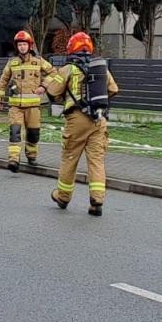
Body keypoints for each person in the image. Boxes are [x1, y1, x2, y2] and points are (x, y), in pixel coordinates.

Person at [43, 31, 119, 217]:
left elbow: (53, 91)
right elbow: (114, 89)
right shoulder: (100, 68)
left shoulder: (68, 68)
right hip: (99, 119)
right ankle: (97, 200)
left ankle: (63, 196)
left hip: (76, 119)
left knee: (70, 159)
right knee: (96, 161)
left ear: (71, 48)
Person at [0, 29, 48, 171]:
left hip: (33, 107)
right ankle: (13, 160)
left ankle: (31, 156)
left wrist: (44, 86)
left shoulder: (39, 61)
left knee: (33, 133)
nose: (22, 47)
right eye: (20, 45)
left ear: (29, 46)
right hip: (15, 106)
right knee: (15, 132)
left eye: (24, 44)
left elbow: (55, 74)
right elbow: (3, 80)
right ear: (17, 47)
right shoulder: (12, 63)